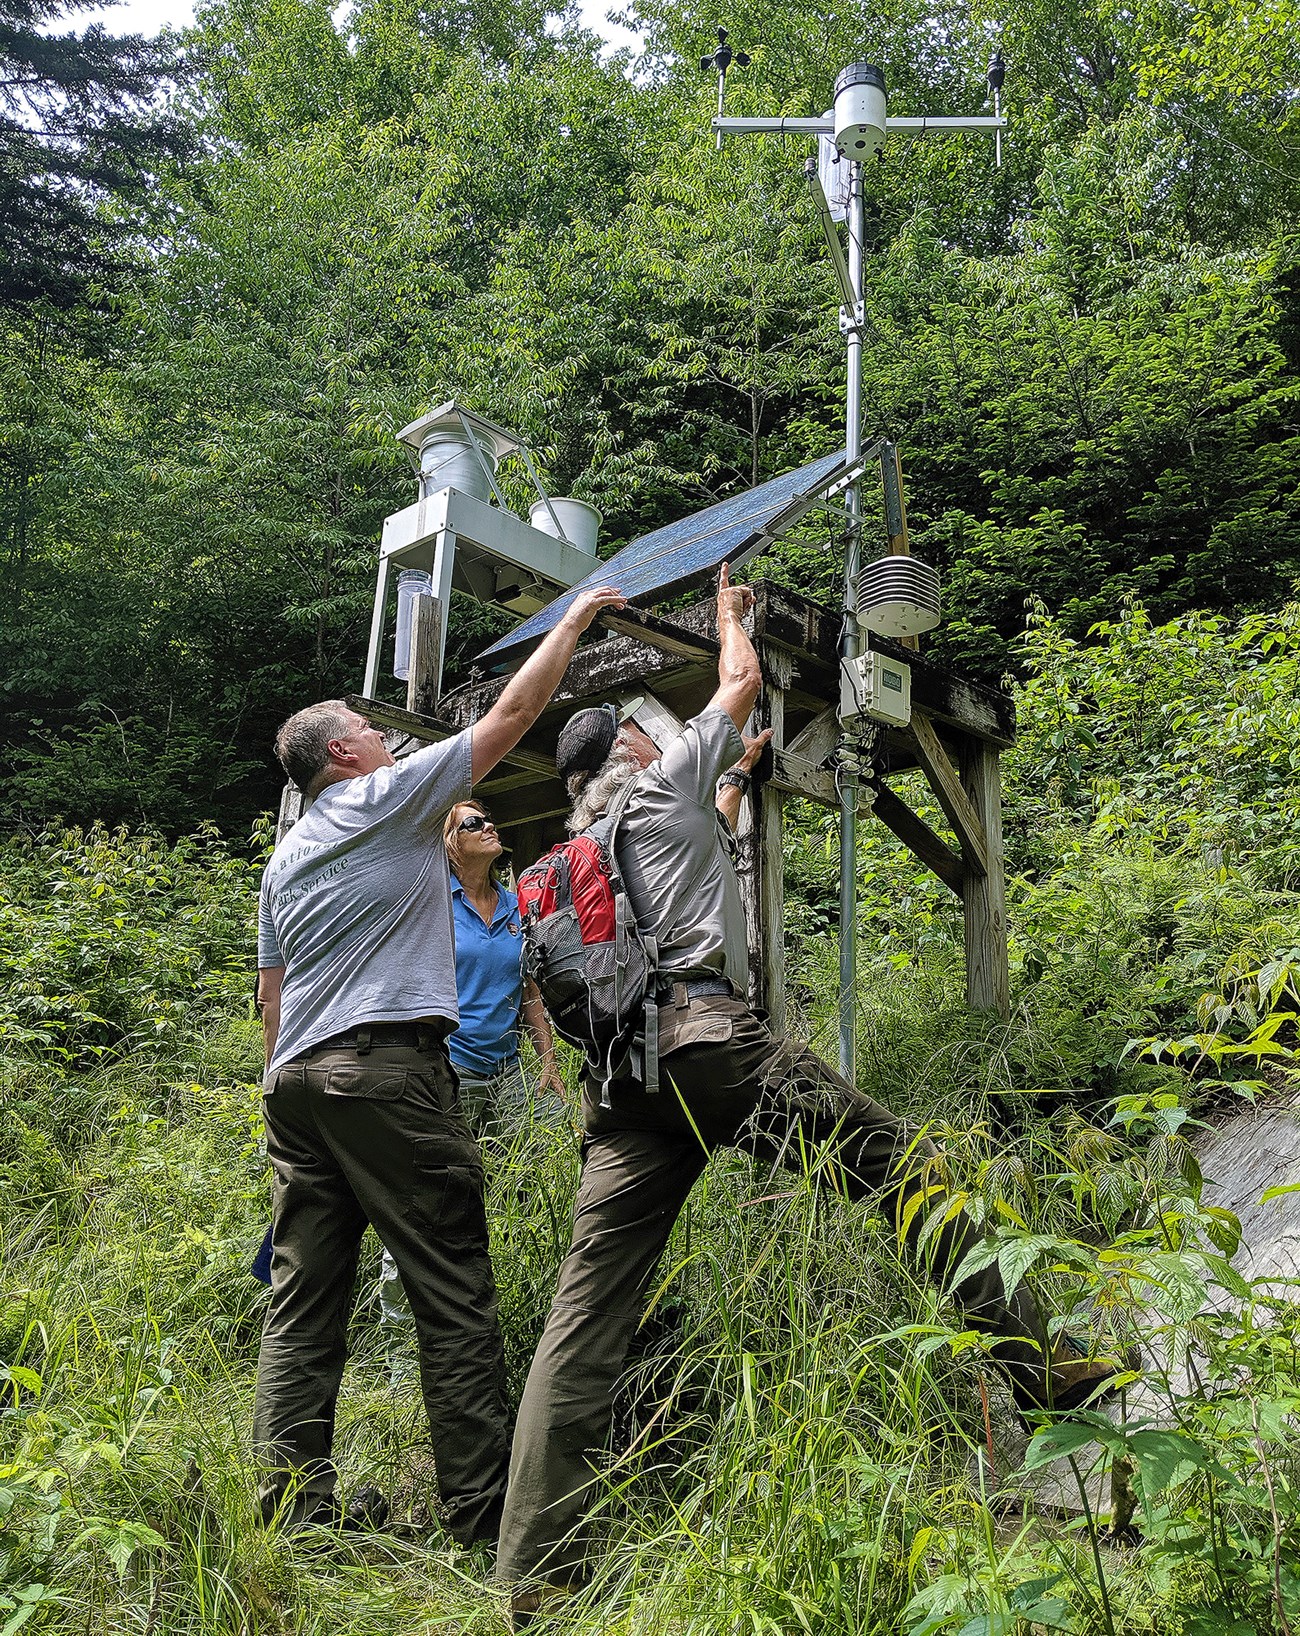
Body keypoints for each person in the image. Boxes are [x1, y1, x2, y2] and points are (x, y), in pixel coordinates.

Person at [496, 564, 1126, 1625]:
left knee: (583, 1316)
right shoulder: (660, 785)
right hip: (713, 1050)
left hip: (623, 1095)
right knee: (903, 1170)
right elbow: (738, 686)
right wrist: (730, 621)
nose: (660, 739)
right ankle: (1047, 1366)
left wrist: (737, 778)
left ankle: (535, 1570)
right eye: (647, 734)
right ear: (632, 752)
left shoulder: (560, 865)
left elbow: (689, 855)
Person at [253, 581, 625, 1545]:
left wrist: (284, 1099)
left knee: (302, 1307)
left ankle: (293, 1517)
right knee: (453, 1293)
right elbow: (512, 716)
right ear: (342, 755)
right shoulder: (380, 799)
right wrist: (572, 620)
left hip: (295, 1086)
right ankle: (481, 1516)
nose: (384, 737)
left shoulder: (284, 859)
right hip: (386, 1072)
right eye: (366, 730)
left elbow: (271, 999)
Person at [376, 798, 567, 1325]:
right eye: (473, 823)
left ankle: (531, 1302)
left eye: (488, 818)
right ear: (451, 844)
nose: (489, 826)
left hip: (510, 1069)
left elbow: (529, 989)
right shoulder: (433, 903)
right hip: (450, 1067)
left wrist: (548, 1061)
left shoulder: (514, 905)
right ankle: (401, 1333)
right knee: (430, 1196)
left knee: (546, 1168)